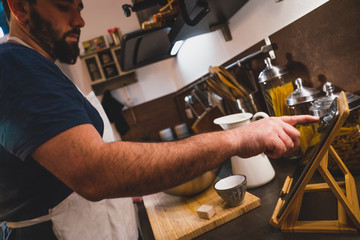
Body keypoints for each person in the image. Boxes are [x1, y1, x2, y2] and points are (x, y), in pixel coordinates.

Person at [0, 0, 319, 239]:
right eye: (64, 5)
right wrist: (236, 138)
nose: (80, 19)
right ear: (19, 7)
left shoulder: (38, 67)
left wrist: (134, 183)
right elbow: (94, 171)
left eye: (80, 6)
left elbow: (62, 173)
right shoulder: (13, 65)